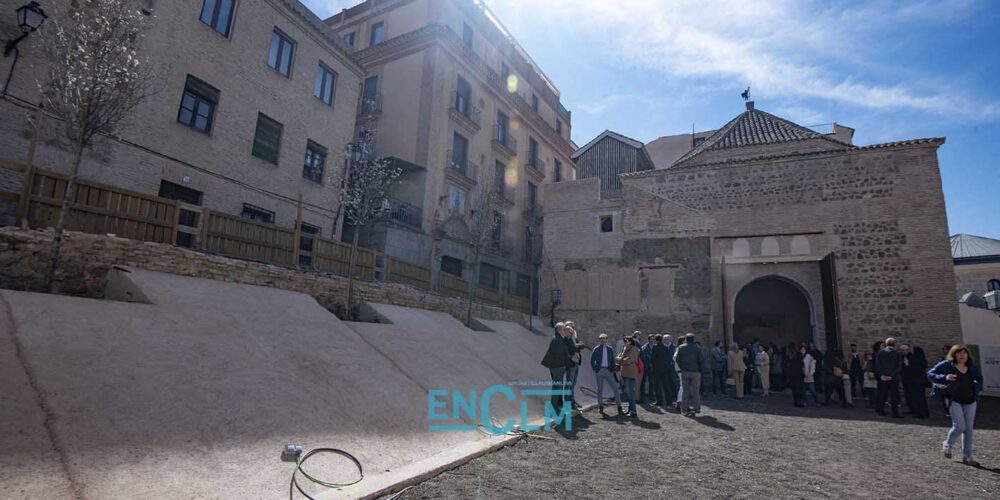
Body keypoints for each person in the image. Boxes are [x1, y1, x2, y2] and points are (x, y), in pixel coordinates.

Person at [928, 345, 983, 466]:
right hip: (954, 400)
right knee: (960, 426)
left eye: (964, 353)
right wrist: (945, 377)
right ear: (954, 354)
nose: (962, 355)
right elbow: (931, 373)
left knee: (968, 429)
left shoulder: (971, 367)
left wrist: (976, 389)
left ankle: (968, 457)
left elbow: (979, 379)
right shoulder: (947, 364)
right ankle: (947, 443)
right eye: (959, 353)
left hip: (970, 400)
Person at [590, 333, 623, 416]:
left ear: (606, 339)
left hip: (608, 371)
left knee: (615, 388)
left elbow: (612, 359)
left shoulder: (610, 349)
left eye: (604, 338)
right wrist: (596, 369)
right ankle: (601, 406)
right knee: (600, 389)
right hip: (600, 370)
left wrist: (612, 369)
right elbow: (592, 360)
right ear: (599, 340)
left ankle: (619, 406)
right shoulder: (596, 349)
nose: (603, 340)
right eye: (601, 338)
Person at [540, 322, 571, 413]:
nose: (565, 331)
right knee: (556, 387)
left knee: (558, 387)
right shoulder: (557, 340)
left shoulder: (560, 339)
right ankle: (552, 408)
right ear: (559, 330)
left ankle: (555, 406)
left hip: (559, 367)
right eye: (563, 329)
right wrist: (564, 365)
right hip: (558, 367)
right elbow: (558, 355)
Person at [675, 333, 704, 415]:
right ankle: (696, 408)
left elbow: (677, 359)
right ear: (693, 339)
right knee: (696, 391)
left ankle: (684, 410)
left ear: (686, 339)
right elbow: (701, 360)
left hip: (685, 371)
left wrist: (682, 367)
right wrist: (700, 369)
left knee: (685, 391)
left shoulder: (681, 347)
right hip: (695, 371)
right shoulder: (697, 348)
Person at [875, 337, 903, 418]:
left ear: (886, 344)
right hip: (893, 378)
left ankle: (881, 411)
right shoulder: (897, 354)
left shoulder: (880, 353)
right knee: (894, 396)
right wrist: (891, 376)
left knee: (883, 395)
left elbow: (877, 365)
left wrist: (881, 375)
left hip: (883, 377)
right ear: (894, 344)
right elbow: (899, 367)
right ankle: (895, 413)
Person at [902, 345, 930, 418]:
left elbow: (909, 367)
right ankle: (923, 412)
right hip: (921, 380)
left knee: (917, 398)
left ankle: (920, 413)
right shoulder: (922, 358)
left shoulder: (914, 358)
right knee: (921, 398)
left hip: (915, 381)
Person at [616, 336, 640, 418]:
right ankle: (630, 409)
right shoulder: (624, 348)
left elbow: (629, 360)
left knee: (630, 393)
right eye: (624, 341)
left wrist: (621, 360)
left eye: (625, 341)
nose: (624, 342)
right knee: (628, 392)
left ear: (630, 341)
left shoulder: (634, 349)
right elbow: (617, 358)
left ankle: (633, 411)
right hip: (624, 373)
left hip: (631, 373)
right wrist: (622, 359)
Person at [563, 324, 584, 411]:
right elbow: (571, 349)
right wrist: (577, 346)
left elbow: (577, 348)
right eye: (570, 332)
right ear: (566, 332)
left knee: (573, 384)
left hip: (576, 363)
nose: (572, 333)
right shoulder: (565, 340)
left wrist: (578, 346)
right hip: (570, 364)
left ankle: (572, 401)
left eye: (572, 332)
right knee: (569, 384)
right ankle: (568, 402)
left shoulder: (573, 339)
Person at [650, 334, 675, 408]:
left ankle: (659, 401)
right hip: (665, 368)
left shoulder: (655, 347)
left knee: (657, 385)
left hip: (657, 368)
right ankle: (669, 401)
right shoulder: (665, 347)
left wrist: (652, 363)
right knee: (666, 385)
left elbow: (653, 357)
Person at [639, 333, 655, 404]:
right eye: (651, 339)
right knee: (643, 381)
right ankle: (642, 395)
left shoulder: (655, 346)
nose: (652, 340)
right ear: (648, 339)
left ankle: (651, 395)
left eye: (653, 339)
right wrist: (648, 363)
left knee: (652, 381)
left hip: (652, 366)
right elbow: (644, 357)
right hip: (646, 366)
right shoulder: (645, 347)